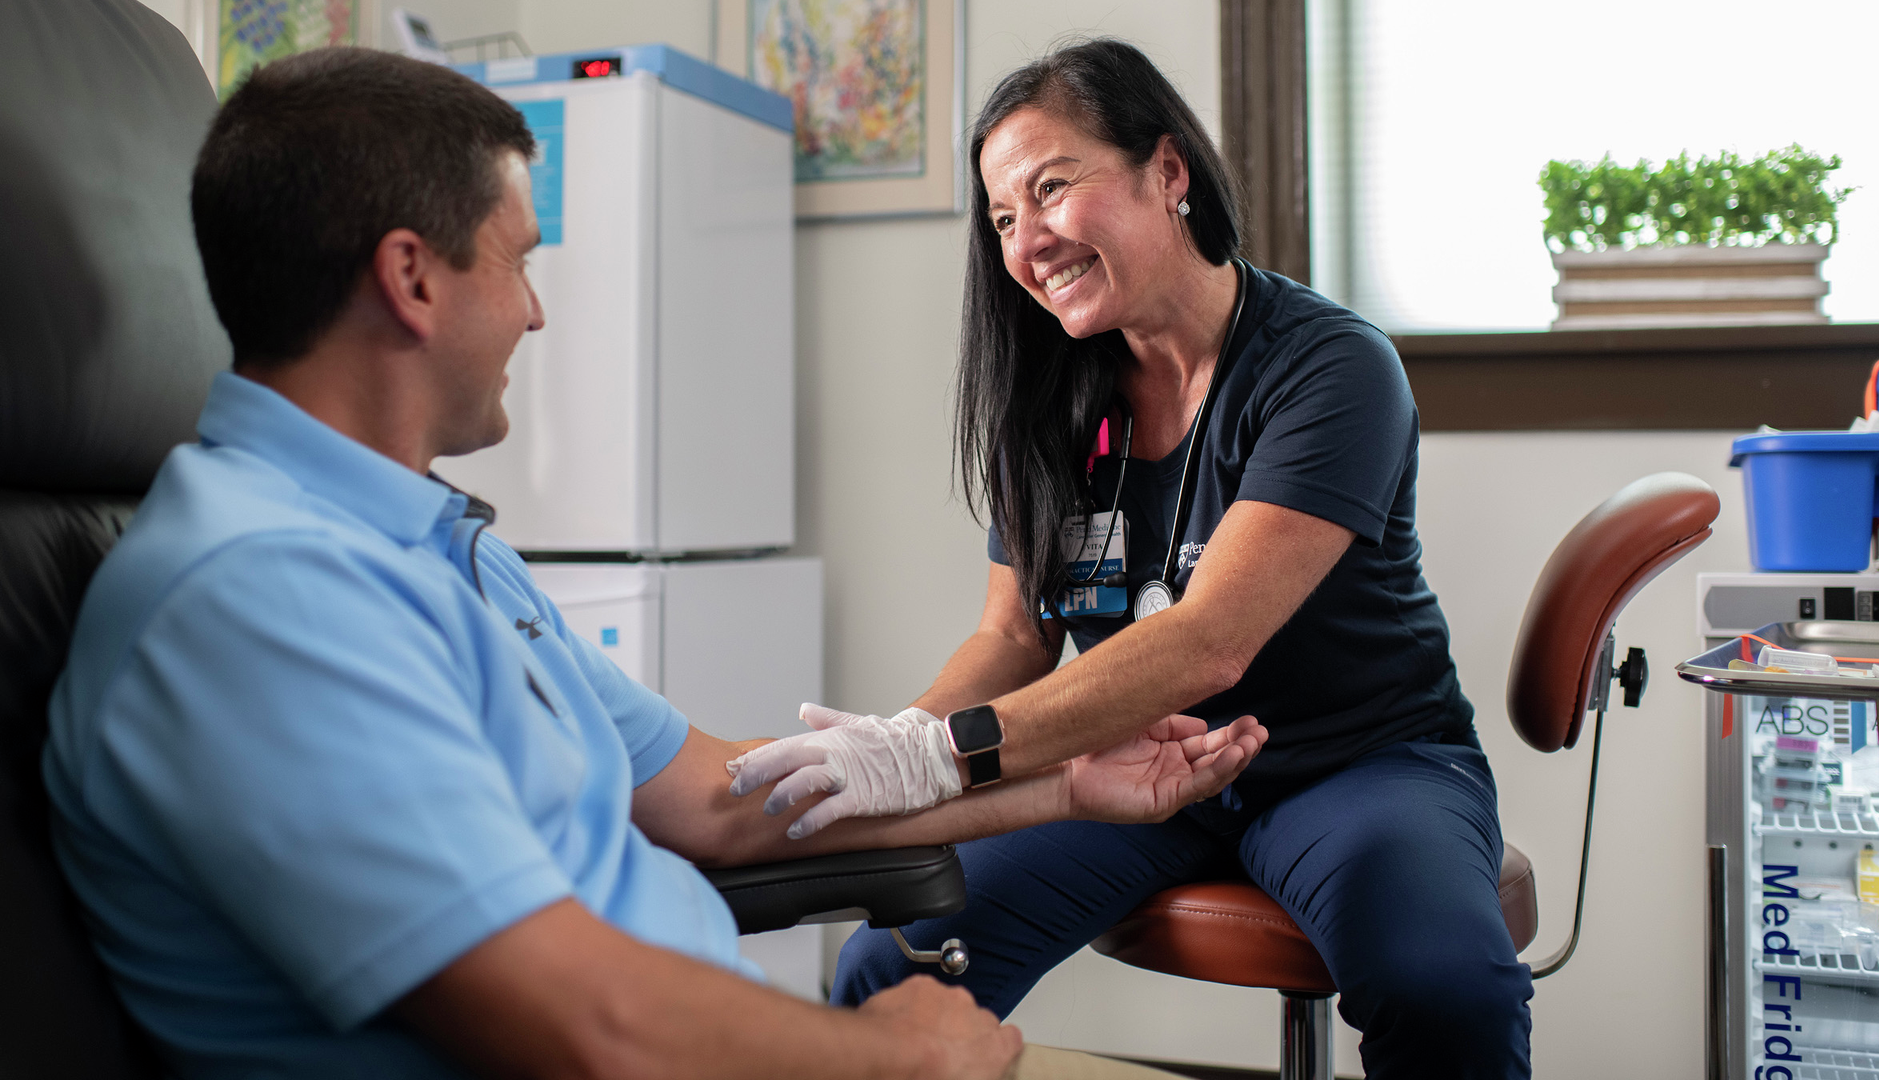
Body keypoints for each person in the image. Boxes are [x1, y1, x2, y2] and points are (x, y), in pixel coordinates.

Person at [41, 47, 1269, 1080]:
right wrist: (894, 1056)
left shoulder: (432, 545)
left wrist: (1067, 787)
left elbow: (717, 802)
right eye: (518, 260)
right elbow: (583, 1020)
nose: (535, 312)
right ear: (411, 278)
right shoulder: (253, 602)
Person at [726, 39, 1532, 1078]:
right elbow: (1015, 634)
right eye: (1004, 219)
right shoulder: (1053, 399)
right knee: (892, 963)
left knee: (1444, 990)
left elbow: (1208, 640)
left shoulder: (1330, 368)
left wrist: (941, 758)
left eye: (1051, 189)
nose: (1028, 241)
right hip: (1132, 769)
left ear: (1168, 170)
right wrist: (903, 741)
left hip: (1356, 763)